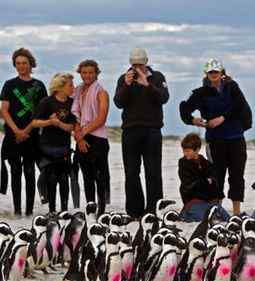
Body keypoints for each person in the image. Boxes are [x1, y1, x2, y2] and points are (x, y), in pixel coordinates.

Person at [179, 59, 252, 216]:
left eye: (216, 72)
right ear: (206, 74)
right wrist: (193, 120)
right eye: (211, 72)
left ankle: (237, 212)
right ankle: (217, 209)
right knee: (217, 175)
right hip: (215, 139)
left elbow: (239, 105)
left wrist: (222, 118)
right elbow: (184, 108)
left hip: (236, 137)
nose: (213, 74)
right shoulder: (201, 92)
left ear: (221, 73)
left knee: (237, 175)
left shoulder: (232, 87)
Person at [113, 48, 169, 218]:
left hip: (152, 130)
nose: (137, 68)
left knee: (153, 171)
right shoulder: (124, 79)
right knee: (131, 172)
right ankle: (134, 211)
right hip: (130, 130)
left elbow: (164, 98)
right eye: (134, 64)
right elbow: (118, 102)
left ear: (146, 62)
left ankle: (154, 210)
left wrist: (147, 85)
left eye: (140, 64)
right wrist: (127, 85)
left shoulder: (158, 77)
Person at [0, 48, 47, 216]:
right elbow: (4, 110)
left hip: (32, 135)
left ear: (30, 64)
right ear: (15, 64)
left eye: (24, 63)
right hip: (13, 134)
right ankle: (17, 209)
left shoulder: (39, 86)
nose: (21, 66)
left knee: (29, 172)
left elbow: (42, 111)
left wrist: (26, 131)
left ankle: (28, 211)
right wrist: (16, 131)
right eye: (18, 63)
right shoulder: (9, 85)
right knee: (15, 172)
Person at [25, 73, 77, 214]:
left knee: (64, 180)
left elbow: (72, 127)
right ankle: (52, 211)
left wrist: (58, 123)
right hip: (47, 148)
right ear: (60, 87)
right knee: (51, 180)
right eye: (70, 85)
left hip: (64, 147)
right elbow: (35, 123)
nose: (73, 87)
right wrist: (49, 122)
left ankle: (64, 210)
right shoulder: (46, 102)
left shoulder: (72, 103)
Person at [72, 60, 110, 216]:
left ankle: (101, 212)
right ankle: (90, 210)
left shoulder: (101, 92)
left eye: (91, 72)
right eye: (84, 72)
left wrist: (83, 132)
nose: (87, 75)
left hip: (98, 139)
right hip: (82, 137)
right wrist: (79, 138)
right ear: (80, 73)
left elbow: (101, 118)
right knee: (87, 178)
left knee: (100, 178)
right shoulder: (78, 91)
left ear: (96, 73)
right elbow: (74, 115)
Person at [178, 133, 230, 222]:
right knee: (207, 218)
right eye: (184, 150)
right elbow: (189, 184)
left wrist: (211, 186)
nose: (185, 153)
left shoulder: (206, 163)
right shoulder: (183, 163)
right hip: (192, 201)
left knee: (226, 217)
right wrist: (206, 181)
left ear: (197, 150)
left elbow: (213, 182)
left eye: (187, 151)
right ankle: (185, 215)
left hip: (209, 200)